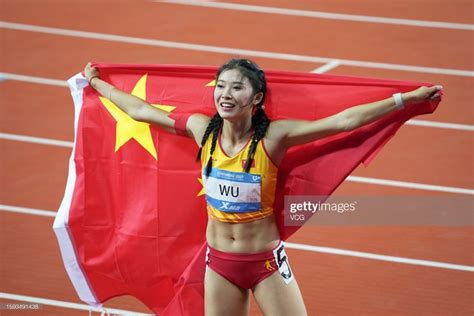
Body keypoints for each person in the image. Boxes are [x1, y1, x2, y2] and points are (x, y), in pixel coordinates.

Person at [84, 59, 442, 316]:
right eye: (221, 86)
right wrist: (97, 84)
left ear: (255, 99)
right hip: (219, 263)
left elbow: (343, 122)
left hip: (266, 263)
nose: (225, 94)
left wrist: (405, 100)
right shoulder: (200, 128)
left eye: (237, 87)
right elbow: (143, 111)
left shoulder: (273, 137)